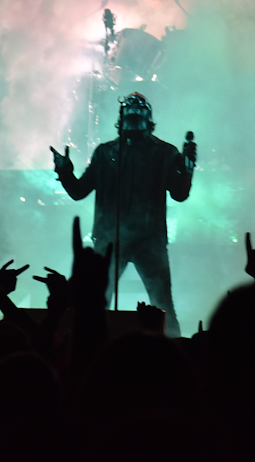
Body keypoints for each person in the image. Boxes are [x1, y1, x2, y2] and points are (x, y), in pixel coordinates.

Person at [50, 93, 195, 336]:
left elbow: (179, 193)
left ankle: (172, 350)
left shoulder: (163, 153)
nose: (134, 117)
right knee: (97, 302)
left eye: (138, 113)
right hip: (114, 240)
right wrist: (65, 172)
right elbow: (79, 191)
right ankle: (90, 349)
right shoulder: (105, 153)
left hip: (147, 241)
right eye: (130, 113)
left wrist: (188, 169)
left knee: (161, 304)